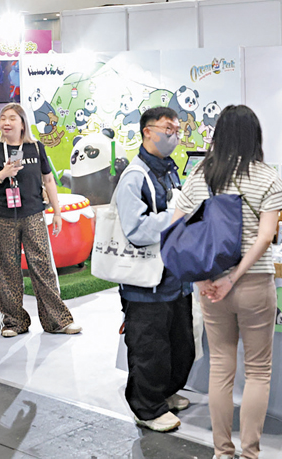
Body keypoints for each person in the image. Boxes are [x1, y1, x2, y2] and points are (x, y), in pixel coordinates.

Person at [172, 105, 282, 459]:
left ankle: (222, 452)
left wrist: (204, 279)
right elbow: (266, 236)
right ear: (255, 136)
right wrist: (235, 277)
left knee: (221, 367)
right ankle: (250, 453)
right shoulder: (267, 176)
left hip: (210, 286)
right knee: (258, 372)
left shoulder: (201, 174)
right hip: (255, 284)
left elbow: (177, 227)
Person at [113, 106, 194, 433]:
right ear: (147, 131)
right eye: (167, 129)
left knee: (180, 344)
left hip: (175, 277)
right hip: (145, 283)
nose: (174, 135)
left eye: (177, 130)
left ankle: (163, 393)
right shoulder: (135, 177)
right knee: (150, 347)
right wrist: (178, 218)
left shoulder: (169, 170)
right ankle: (146, 408)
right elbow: (135, 229)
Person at [0, 103, 81, 337]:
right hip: (2, 216)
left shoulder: (35, 148)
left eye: (12, 118)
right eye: (3, 118)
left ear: (23, 123)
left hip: (33, 214)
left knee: (43, 266)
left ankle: (58, 321)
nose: (6, 122)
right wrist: (3, 174)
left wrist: (57, 212)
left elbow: (49, 180)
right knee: (7, 269)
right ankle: (12, 323)